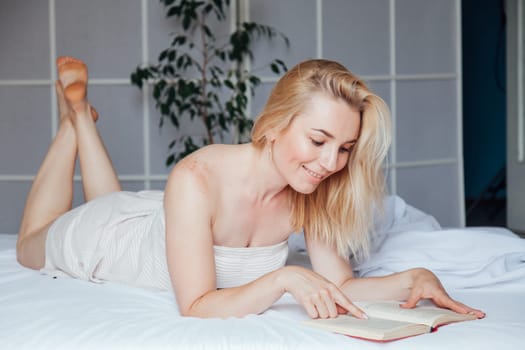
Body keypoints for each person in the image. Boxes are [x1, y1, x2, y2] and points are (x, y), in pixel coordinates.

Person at [16, 56, 485, 320]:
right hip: (106, 240)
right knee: (31, 243)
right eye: (319, 140)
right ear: (277, 124)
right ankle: (73, 121)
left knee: (111, 201)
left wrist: (413, 278)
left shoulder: (311, 190)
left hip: (156, 222)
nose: (330, 163)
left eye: (344, 148)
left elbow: (341, 284)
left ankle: (80, 119)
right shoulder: (196, 177)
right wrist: (283, 278)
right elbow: (197, 306)